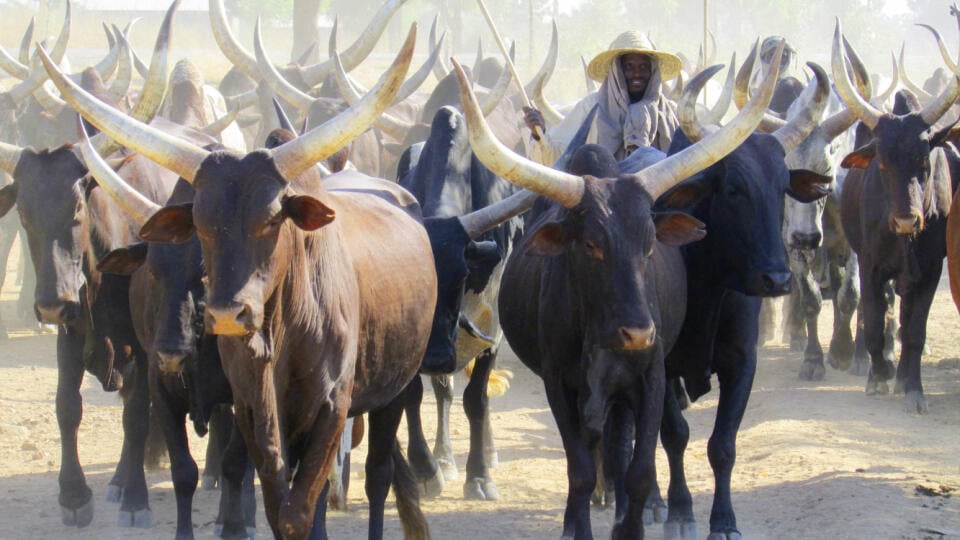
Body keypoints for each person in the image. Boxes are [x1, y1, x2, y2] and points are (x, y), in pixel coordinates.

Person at [523, 30, 682, 166]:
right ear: (616, 71)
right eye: (628, 67)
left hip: (658, 200)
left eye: (643, 67)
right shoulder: (591, 108)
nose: (636, 74)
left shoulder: (670, 113)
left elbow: (685, 162)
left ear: (653, 72)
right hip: (601, 200)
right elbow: (557, 156)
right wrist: (540, 134)